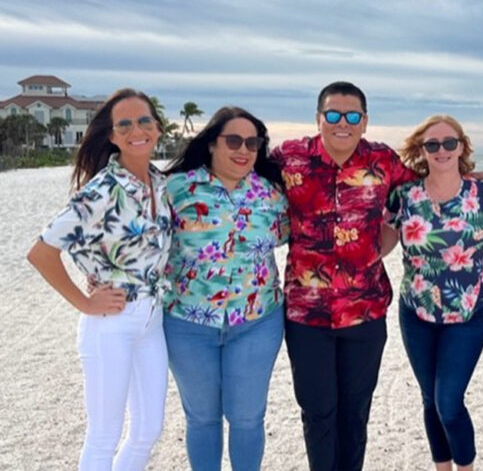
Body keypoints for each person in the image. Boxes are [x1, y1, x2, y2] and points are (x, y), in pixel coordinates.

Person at [269, 81, 418, 471]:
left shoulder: (383, 160)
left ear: (365, 122)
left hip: (365, 311)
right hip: (307, 314)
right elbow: (239, 178)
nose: (342, 123)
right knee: (318, 413)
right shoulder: (288, 157)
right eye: (333, 114)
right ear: (318, 119)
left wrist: (392, 231)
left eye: (352, 116)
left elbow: (424, 192)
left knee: (355, 413)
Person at [27, 88, 171, 470]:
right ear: (111, 136)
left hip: (152, 321)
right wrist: (85, 301)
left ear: (157, 128)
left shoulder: (159, 183)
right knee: (104, 436)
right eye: (124, 124)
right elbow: (41, 253)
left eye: (143, 120)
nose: (136, 130)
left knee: (147, 430)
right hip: (110, 323)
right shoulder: (101, 191)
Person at [162, 107, 289, 470]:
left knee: (247, 416)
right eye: (234, 140)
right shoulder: (177, 188)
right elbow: (140, 239)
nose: (244, 149)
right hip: (187, 323)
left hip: (257, 322)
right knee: (201, 417)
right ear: (212, 144)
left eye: (252, 142)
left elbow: (295, 238)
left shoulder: (271, 195)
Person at [386, 115, 483, 471]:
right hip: (416, 312)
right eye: (432, 144)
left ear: (462, 146)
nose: (441, 151)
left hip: (468, 312)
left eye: (449, 143)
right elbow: (379, 246)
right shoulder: (404, 197)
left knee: (448, 401)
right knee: (429, 400)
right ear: (421, 151)